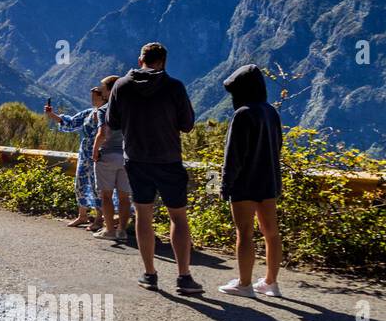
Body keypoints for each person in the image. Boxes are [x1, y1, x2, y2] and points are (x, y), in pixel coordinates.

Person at [106, 42, 204, 295]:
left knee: (143, 215)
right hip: (168, 159)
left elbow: (113, 122)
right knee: (178, 217)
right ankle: (184, 277)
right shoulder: (174, 87)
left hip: (136, 160)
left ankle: (150, 274)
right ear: (163, 62)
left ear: (141, 61)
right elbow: (187, 124)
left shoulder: (121, 86)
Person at [216, 64, 284, 298]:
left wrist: (225, 185)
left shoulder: (242, 114)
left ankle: (245, 284)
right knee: (271, 233)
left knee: (244, 233)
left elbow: (233, 155)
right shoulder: (271, 111)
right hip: (269, 182)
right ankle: (270, 283)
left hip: (245, 183)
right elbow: (278, 147)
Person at [44, 87, 104, 231]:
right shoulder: (88, 113)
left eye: (94, 97)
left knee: (98, 186)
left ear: (103, 97)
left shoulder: (109, 113)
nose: (92, 99)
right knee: (80, 183)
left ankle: (99, 218)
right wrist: (52, 115)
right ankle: (82, 215)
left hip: (99, 154)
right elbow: (71, 123)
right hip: (85, 154)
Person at [91, 75, 132, 243]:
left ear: (110, 90)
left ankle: (109, 230)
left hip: (108, 155)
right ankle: (122, 230)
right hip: (127, 156)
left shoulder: (105, 109)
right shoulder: (130, 108)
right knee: (125, 197)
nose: (101, 92)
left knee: (106, 196)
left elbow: (102, 133)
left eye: (103, 89)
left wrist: (95, 150)